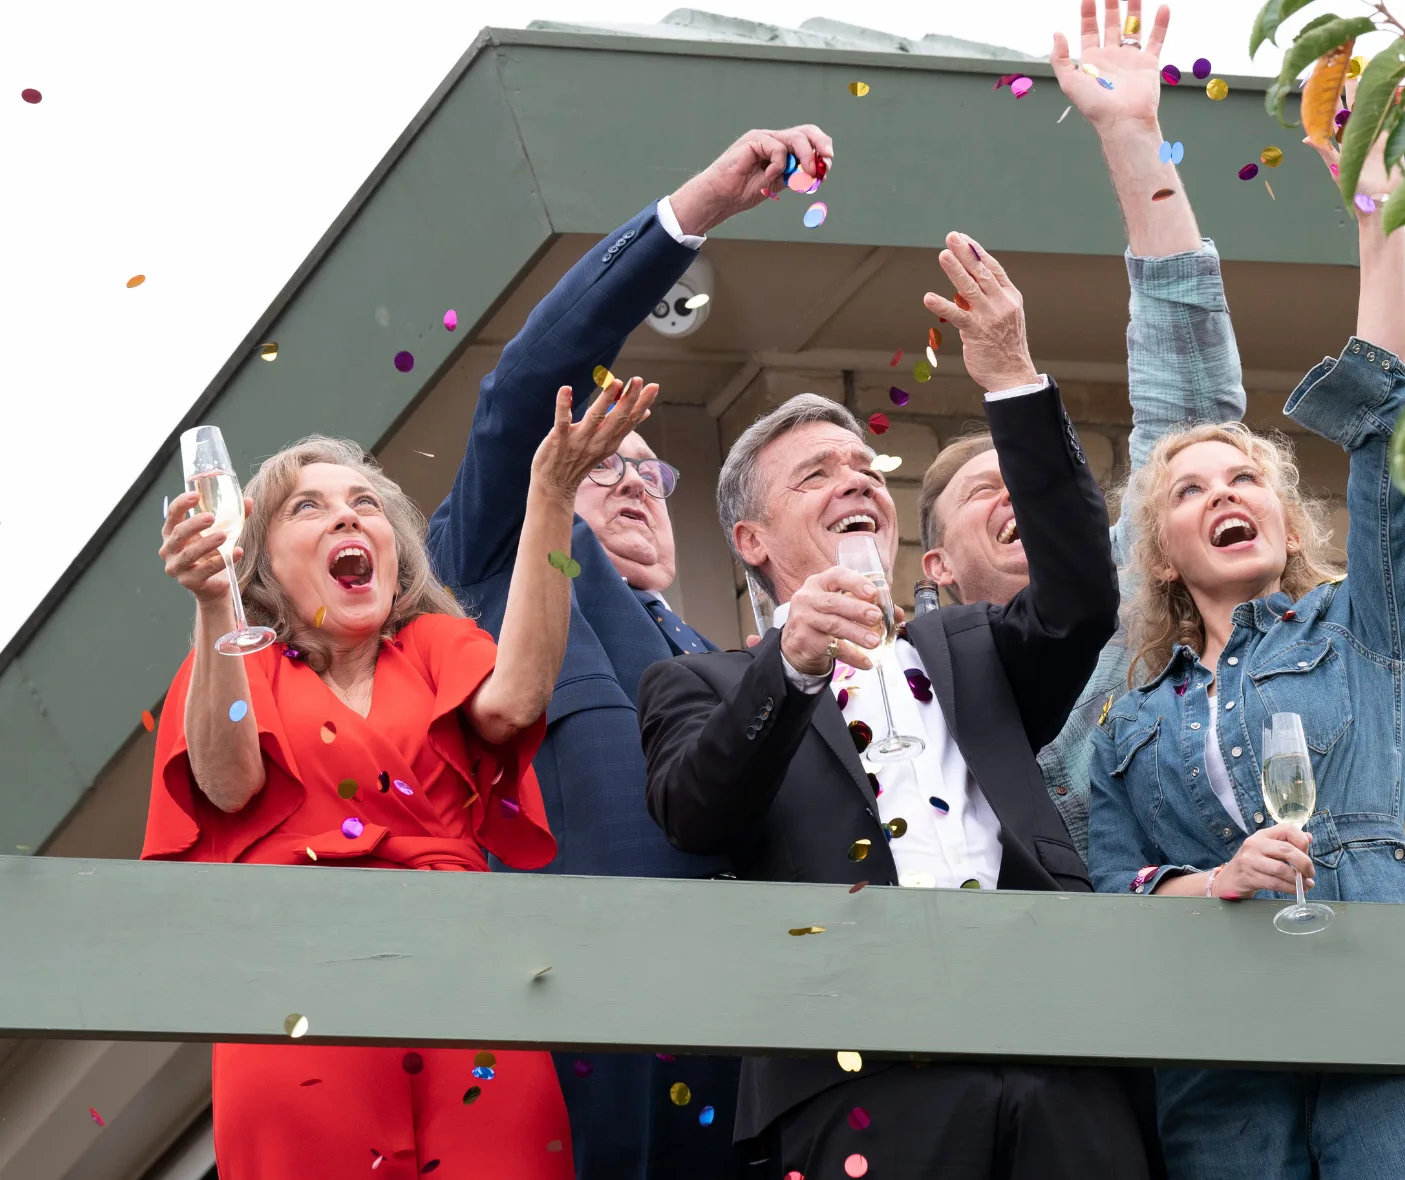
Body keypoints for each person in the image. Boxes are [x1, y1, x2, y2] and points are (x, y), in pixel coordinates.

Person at [636, 233, 1150, 1180]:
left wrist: (1013, 380)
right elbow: (694, 812)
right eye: (818, 474)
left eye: (866, 467)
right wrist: (788, 667)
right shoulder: (700, 684)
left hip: (1058, 1056)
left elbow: (1082, 598)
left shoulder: (968, 644)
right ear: (751, 538)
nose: (859, 480)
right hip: (863, 1081)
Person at [1084, 79, 1405, 1180]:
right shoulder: (1131, 715)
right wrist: (1215, 881)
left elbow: (1391, 432)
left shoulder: (1360, 626)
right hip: (1221, 1038)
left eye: (1248, 478)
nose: (1228, 493)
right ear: (1163, 549)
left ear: (1280, 513)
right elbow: (1116, 881)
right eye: (1192, 487)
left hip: (1375, 976)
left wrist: (1380, 221)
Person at [426, 123, 833, 1179]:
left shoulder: (739, 659)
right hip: (598, 1036)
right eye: (608, 457)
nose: (627, 480)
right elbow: (525, 393)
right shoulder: (505, 553)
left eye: (650, 471)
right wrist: (691, 213)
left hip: (773, 1052)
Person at [143, 377, 651, 1180]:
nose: (348, 514)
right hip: (298, 994)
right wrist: (215, 603)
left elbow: (518, 698)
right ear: (258, 554)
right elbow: (229, 782)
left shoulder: (434, 645)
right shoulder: (237, 669)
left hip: (467, 983)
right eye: (307, 507)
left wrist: (550, 494)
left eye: (365, 503)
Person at [918, 0, 1245, 860]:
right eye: (987, 489)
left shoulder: (1138, 601)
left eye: (1024, 477)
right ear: (937, 566)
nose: (1016, 494)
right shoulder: (910, 689)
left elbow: (1191, 401)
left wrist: (1133, 134)